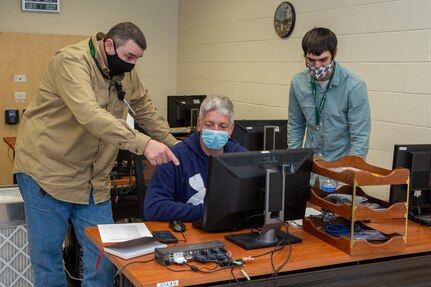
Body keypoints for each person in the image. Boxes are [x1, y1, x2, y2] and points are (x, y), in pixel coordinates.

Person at [13, 22, 179, 287]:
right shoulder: (71, 62)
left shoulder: (125, 72)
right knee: (48, 259)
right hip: (46, 172)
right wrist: (144, 144)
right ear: (109, 45)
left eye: (138, 58)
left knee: (104, 254)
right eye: (129, 57)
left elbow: (145, 110)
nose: (133, 64)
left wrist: (176, 147)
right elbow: (89, 114)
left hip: (94, 179)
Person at [144, 95, 248, 222]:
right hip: (187, 234)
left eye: (222, 126)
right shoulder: (175, 157)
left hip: (228, 231)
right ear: (199, 124)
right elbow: (154, 208)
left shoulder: (241, 157)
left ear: (231, 129)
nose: (215, 131)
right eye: (209, 124)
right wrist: (206, 211)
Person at [287, 27, 371, 162]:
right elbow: (295, 126)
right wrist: (293, 163)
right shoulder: (298, 83)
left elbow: (360, 138)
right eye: (311, 60)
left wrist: (348, 172)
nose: (317, 66)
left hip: (340, 167)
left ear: (334, 54)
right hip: (310, 166)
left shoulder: (354, 86)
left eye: (323, 60)